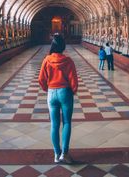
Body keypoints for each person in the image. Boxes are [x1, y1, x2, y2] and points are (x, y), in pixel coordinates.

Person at [38, 33, 78, 164]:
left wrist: (47, 89)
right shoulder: (68, 61)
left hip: (51, 92)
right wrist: (72, 91)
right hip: (65, 92)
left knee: (54, 125)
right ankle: (64, 154)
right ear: (63, 46)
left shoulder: (46, 60)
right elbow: (74, 80)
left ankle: (56, 154)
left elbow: (41, 79)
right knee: (66, 122)